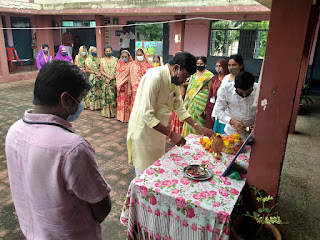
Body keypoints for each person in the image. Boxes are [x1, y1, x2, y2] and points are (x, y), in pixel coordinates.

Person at [5, 60, 112, 240]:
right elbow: (101, 207)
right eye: (81, 98)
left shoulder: (14, 131)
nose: (81, 104)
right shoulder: (72, 148)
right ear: (66, 100)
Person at [127, 52, 215, 176]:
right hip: (144, 133)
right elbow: (147, 115)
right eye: (184, 76)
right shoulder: (154, 78)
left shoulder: (174, 81)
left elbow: (180, 107)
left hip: (159, 132)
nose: (184, 81)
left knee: (156, 169)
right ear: (176, 68)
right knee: (144, 174)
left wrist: (198, 127)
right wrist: (171, 134)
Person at [213, 71, 257, 140]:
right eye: (241, 93)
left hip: (254, 134)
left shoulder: (260, 90)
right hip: (231, 134)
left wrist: (256, 126)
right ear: (234, 86)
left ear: (252, 87)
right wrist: (231, 121)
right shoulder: (225, 89)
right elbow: (218, 111)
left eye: (247, 93)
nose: (244, 95)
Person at [181, 56, 214, 137]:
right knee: (189, 121)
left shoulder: (209, 75)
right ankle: (188, 140)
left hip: (201, 104)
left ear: (205, 64)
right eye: (197, 64)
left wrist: (208, 107)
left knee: (200, 124)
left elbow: (211, 92)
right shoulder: (193, 75)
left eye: (201, 64)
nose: (199, 65)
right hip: (191, 103)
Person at [212, 54, 244, 134]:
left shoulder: (243, 79)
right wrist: (214, 112)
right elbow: (220, 97)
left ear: (240, 66)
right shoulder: (226, 78)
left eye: (234, 65)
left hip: (234, 115)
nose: (231, 67)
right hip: (222, 112)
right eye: (229, 65)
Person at [204, 59, 229, 129]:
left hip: (221, 105)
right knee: (209, 125)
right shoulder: (214, 78)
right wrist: (206, 107)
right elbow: (210, 93)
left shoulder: (227, 78)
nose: (218, 68)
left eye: (220, 66)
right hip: (211, 104)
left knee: (217, 126)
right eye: (216, 66)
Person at [100, 46, 118, 118]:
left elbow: (117, 70)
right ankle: (106, 113)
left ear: (112, 51)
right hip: (106, 80)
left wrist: (112, 77)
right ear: (104, 52)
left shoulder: (116, 60)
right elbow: (101, 71)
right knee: (106, 97)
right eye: (106, 51)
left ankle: (114, 112)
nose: (108, 52)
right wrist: (108, 77)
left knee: (113, 96)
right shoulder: (102, 60)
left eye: (109, 51)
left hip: (113, 80)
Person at [116, 50, 133, 122]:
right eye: (122, 57)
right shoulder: (119, 64)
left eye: (126, 57)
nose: (124, 58)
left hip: (128, 86)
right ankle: (120, 117)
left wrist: (124, 83)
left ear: (129, 57)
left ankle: (127, 118)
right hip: (120, 87)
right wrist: (119, 85)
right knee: (120, 102)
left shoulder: (131, 64)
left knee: (127, 102)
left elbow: (131, 76)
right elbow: (117, 75)